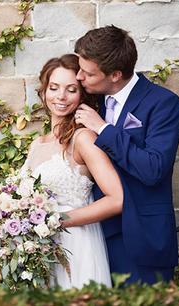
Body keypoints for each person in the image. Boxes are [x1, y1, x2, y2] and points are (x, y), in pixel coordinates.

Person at [72, 25, 179, 284]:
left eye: (87, 73)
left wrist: (103, 129)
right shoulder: (89, 100)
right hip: (93, 240)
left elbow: (153, 169)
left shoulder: (162, 103)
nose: (79, 77)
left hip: (142, 239)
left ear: (115, 74)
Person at [20, 54, 123, 289]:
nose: (61, 97)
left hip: (76, 246)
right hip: (40, 250)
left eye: (71, 90)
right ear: (44, 91)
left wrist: (58, 220)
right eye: (54, 88)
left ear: (82, 96)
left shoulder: (83, 138)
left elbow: (117, 199)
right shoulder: (37, 144)